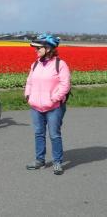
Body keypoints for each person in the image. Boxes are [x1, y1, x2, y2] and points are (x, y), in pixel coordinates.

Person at [25, 34, 71, 175]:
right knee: (39, 133)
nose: (36, 50)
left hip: (54, 107)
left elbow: (65, 84)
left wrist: (55, 98)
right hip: (36, 106)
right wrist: (28, 95)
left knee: (54, 135)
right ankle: (40, 160)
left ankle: (57, 162)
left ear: (48, 48)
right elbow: (29, 81)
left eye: (38, 48)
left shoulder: (60, 64)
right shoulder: (36, 64)